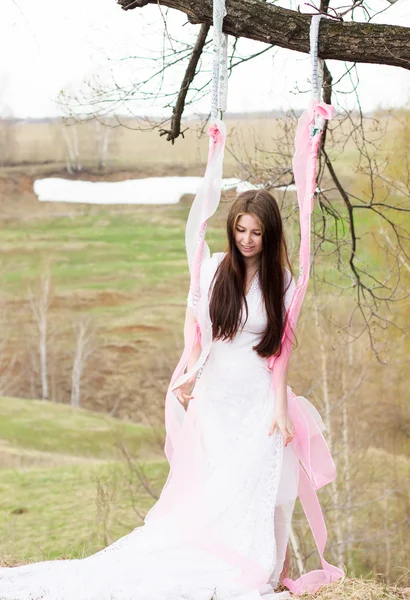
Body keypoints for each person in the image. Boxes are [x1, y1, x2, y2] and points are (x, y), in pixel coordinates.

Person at [0, 189, 323, 600]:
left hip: (258, 399)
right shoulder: (213, 270)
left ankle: (271, 567)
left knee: (263, 485)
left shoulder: (283, 283)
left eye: (256, 232)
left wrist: (280, 408)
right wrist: (190, 371)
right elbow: (202, 334)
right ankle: (221, 559)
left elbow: (281, 352)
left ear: (270, 234)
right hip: (216, 397)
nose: (246, 239)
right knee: (215, 487)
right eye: (240, 229)